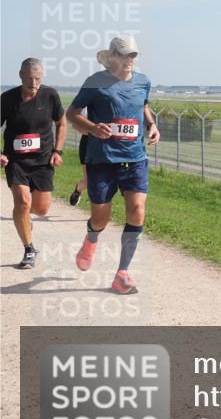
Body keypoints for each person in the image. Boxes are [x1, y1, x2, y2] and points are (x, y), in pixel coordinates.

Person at [65, 35, 160, 294]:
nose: (130, 60)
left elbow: (143, 105)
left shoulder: (143, 82)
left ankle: (122, 274)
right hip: (102, 159)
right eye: (126, 55)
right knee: (101, 218)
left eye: (134, 55)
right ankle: (91, 238)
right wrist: (93, 127)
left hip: (135, 157)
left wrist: (151, 125)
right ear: (113, 57)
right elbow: (71, 114)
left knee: (137, 210)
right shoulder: (95, 84)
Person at [1, 58, 66, 269]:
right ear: (20, 75)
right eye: (30, 78)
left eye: (38, 78)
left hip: (42, 161)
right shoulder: (7, 99)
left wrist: (57, 151)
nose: (34, 82)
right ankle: (29, 249)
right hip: (16, 160)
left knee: (41, 209)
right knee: (22, 203)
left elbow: (61, 122)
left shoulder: (50, 95)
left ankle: (25, 221)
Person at [69, 133, 89, 206]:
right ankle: (78, 190)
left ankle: (102, 214)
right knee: (88, 181)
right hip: (87, 144)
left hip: (106, 148)